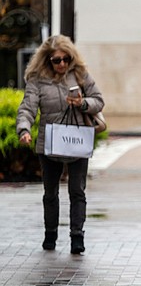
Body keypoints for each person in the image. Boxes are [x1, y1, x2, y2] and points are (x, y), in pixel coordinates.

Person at [16, 34, 105, 254]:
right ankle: (50, 234)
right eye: (57, 60)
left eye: (66, 59)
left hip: (77, 140)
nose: (62, 64)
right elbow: (28, 107)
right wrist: (24, 129)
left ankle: (77, 236)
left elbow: (99, 101)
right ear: (47, 60)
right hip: (50, 142)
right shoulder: (37, 79)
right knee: (50, 192)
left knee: (77, 191)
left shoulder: (80, 75)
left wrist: (82, 103)